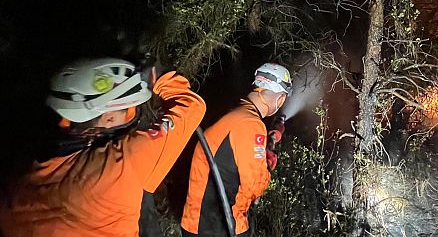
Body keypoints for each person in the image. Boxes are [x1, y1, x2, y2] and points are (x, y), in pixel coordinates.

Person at [0, 57, 206, 237]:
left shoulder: (19, 173)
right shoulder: (123, 162)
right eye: (128, 111)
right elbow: (191, 107)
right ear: (107, 118)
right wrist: (160, 77)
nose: (131, 116)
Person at [181, 63, 292, 237]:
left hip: (197, 221)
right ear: (281, 99)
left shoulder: (236, 115)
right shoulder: (251, 124)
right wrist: (268, 164)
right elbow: (254, 186)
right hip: (220, 226)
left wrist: (266, 144)